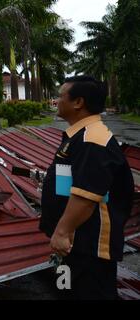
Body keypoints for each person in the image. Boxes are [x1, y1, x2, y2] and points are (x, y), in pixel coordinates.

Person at [40, 76, 135, 300]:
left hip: (88, 246)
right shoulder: (79, 136)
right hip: (75, 243)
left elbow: (86, 195)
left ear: (78, 102)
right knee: (68, 289)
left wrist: (62, 231)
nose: (56, 101)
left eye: (60, 96)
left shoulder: (93, 139)